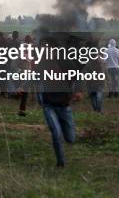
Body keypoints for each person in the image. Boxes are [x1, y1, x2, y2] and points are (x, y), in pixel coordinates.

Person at [39, 36, 83, 168]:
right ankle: (60, 163)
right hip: (49, 105)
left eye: (46, 47)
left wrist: (79, 91)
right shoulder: (43, 63)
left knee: (70, 138)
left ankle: (66, 136)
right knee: (56, 133)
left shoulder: (65, 61)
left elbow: (78, 76)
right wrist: (21, 87)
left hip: (65, 105)